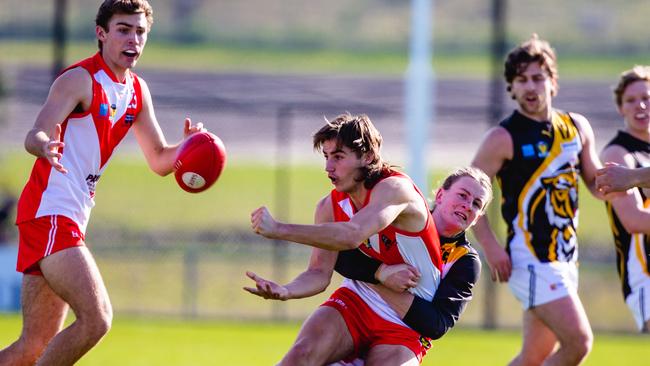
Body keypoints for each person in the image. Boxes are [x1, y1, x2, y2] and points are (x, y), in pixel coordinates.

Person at [0, 1, 206, 365]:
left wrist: (189, 148)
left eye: (140, 31)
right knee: (97, 319)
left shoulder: (138, 92)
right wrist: (44, 146)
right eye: (123, 29)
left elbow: (159, 159)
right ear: (102, 34)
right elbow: (35, 134)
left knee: (32, 347)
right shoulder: (79, 79)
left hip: (70, 217)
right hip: (50, 211)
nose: (133, 39)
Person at [248, 112, 489, 364]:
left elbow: (351, 236)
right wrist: (286, 291)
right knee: (299, 356)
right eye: (327, 157)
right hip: (356, 301)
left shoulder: (396, 191)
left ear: (368, 157)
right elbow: (319, 273)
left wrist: (279, 229)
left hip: (404, 329)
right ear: (440, 195)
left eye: (338, 157)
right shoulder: (329, 206)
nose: (328, 167)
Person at [470, 34, 601, 365]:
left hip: (565, 259)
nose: (530, 87)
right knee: (579, 342)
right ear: (511, 87)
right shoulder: (502, 137)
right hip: (530, 260)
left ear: (553, 82)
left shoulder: (577, 128)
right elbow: (467, 198)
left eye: (538, 78)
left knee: (533, 357)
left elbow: (599, 186)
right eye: (521, 79)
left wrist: (634, 178)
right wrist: (491, 246)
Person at [599, 65, 650, 332]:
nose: (640, 105)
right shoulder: (618, 156)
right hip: (644, 275)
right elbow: (633, 220)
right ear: (621, 108)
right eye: (631, 100)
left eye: (646, 98)